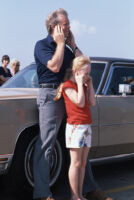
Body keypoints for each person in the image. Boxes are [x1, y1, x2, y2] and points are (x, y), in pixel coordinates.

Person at [33, 8, 113, 200]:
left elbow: (84, 65)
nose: (69, 27)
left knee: (80, 143)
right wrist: (61, 44)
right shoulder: (42, 45)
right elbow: (55, 66)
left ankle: (89, 189)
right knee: (47, 143)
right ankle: (42, 194)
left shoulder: (68, 48)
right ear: (54, 27)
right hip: (51, 93)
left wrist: (73, 45)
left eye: (69, 24)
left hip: (70, 93)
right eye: (66, 24)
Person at [54, 56, 96, 200]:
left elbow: (92, 102)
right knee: (76, 162)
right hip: (75, 128)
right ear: (76, 72)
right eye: (85, 73)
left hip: (86, 126)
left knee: (83, 163)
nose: (87, 76)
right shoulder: (67, 86)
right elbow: (79, 102)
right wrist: (79, 83)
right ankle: (74, 195)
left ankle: (80, 194)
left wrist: (89, 85)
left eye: (89, 73)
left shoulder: (83, 85)